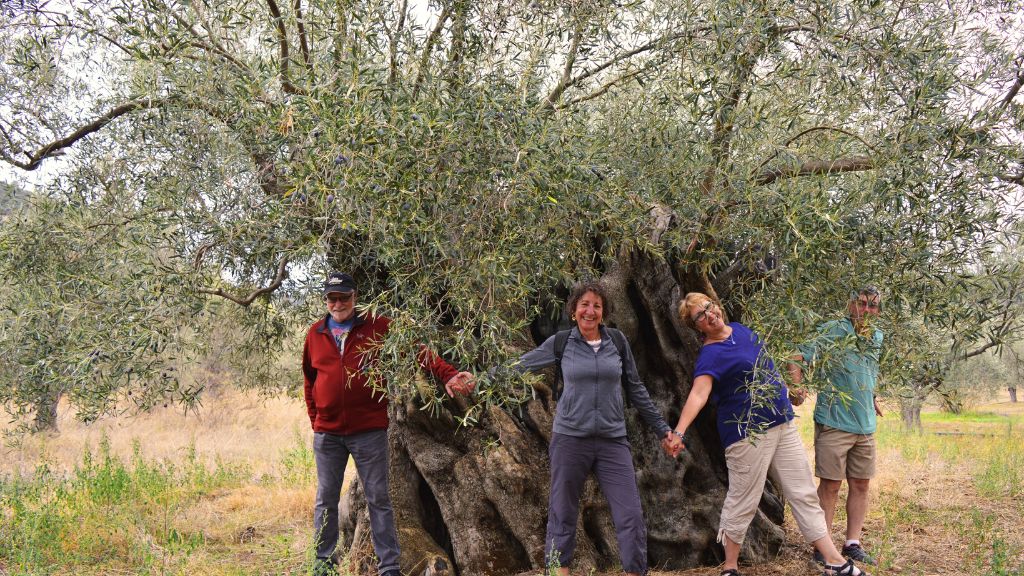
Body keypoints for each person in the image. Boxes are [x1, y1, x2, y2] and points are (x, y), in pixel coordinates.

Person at [668, 292, 867, 576]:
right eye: (700, 316)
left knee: (804, 492)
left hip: (782, 423)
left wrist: (792, 389)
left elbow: (767, 366)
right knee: (743, 499)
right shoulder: (710, 355)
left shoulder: (742, 330)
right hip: (746, 434)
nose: (709, 315)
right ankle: (730, 567)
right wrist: (679, 431)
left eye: (709, 307)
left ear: (717, 305)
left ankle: (834, 561)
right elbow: (699, 394)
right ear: (697, 326)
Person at [302, 272, 475, 576]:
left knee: (379, 499)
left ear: (354, 297)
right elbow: (309, 380)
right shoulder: (315, 334)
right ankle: (323, 565)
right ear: (326, 301)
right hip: (328, 434)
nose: (338, 303)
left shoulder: (377, 326)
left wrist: (447, 373)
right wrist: (317, 420)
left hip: (368, 431)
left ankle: (390, 568)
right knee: (325, 500)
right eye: (332, 298)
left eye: (344, 297)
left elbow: (416, 350)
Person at [502, 281, 681, 576]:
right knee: (562, 513)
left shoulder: (618, 342)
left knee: (630, 515)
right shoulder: (561, 343)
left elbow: (636, 390)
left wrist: (664, 430)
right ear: (574, 310)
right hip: (570, 439)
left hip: (612, 442)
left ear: (604, 312)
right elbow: (520, 365)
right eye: (584, 304)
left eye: (597, 306)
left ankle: (635, 571)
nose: (590, 311)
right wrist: (478, 378)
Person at [788, 286, 884, 566]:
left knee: (861, 484)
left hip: (865, 425)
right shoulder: (834, 330)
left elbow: (869, 371)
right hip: (834, 420)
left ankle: (852, 543)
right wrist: (797, 387)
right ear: (851, 304)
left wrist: (872, 396)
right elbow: (796, 356)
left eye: (873, 306)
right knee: (830, 485)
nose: (867, 310)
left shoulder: (877, 336)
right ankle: (824, 545)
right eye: (863, 304)